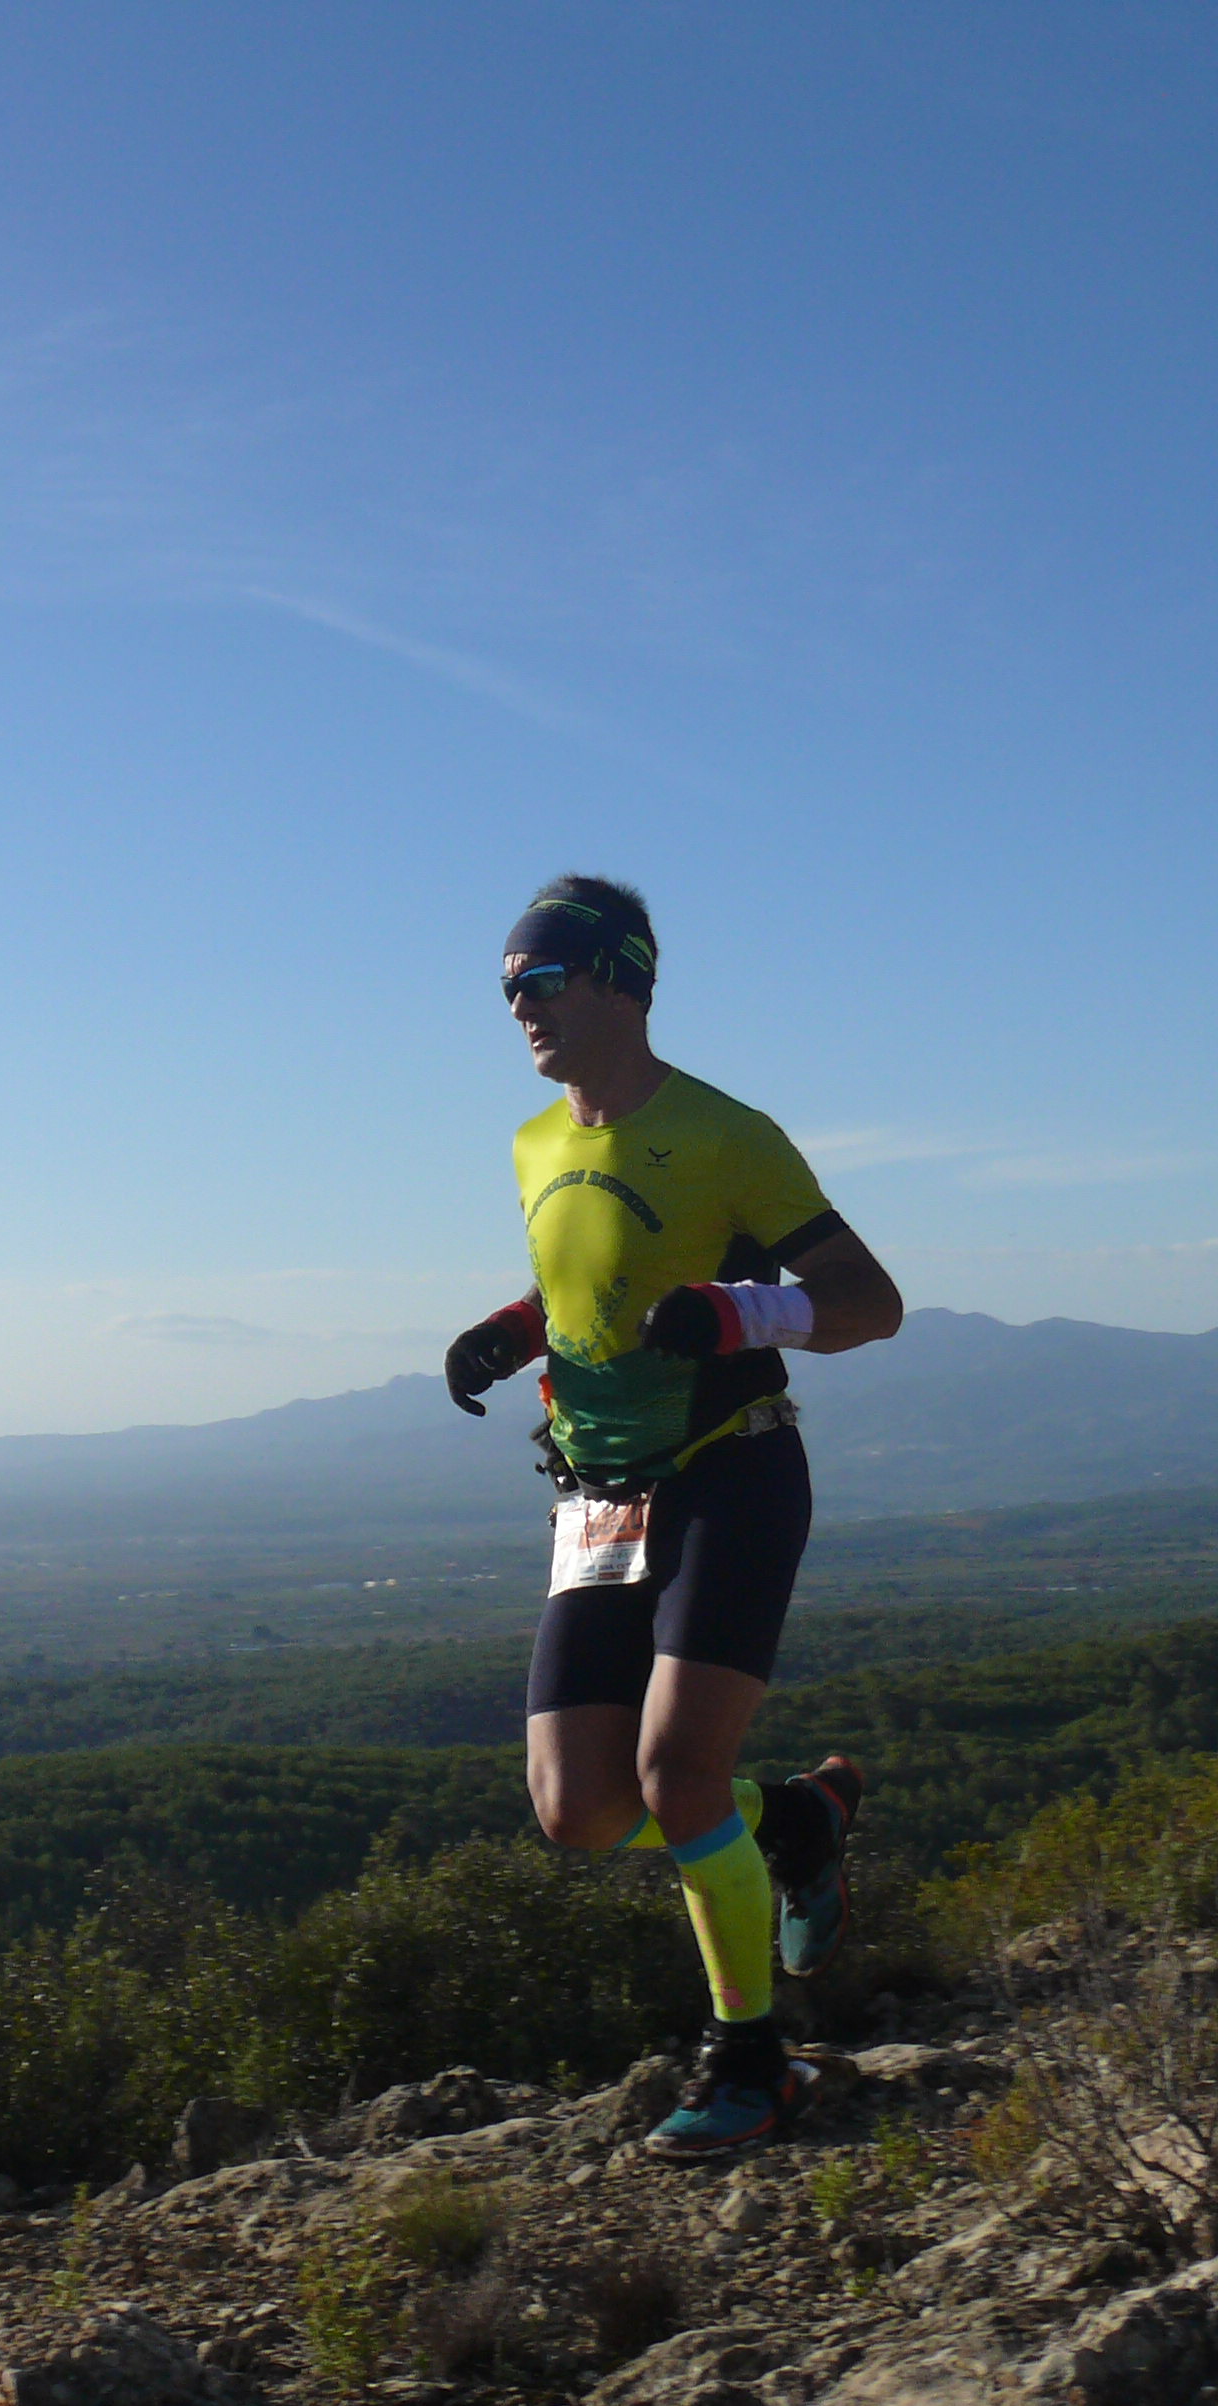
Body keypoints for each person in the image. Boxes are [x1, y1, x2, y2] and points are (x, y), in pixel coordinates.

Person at [441, 873, 904, 2159]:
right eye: (506, 990)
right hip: (599, 1498)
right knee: (577, 1807)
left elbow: (870, 1302)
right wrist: (510, 1332)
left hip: (730, 1473)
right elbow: (590, 1294)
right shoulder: (534, 1144)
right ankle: (795, 1822)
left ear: (620, 980)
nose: (520, 1008)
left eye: (540, 981)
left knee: (676, 1774)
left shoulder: (726, 1135)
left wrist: (743, 1313)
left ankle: (753, 2061)